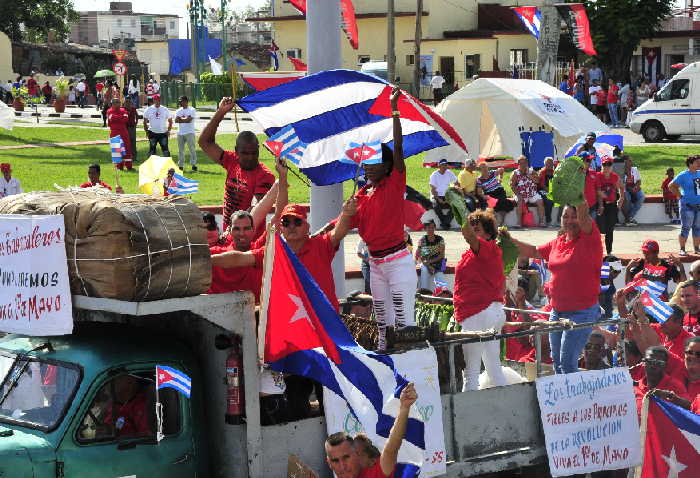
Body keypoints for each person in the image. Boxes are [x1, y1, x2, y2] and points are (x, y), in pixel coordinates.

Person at [346, 87, 417, 351]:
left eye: (374, 162)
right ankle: (388, 361)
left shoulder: (393, 184)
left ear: (387, 166)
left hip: (397, 262)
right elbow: (342, 225)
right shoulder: (362, 194)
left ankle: (408, 367)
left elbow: (398, 147)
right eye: (366, 163)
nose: (367, 166)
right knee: (383, 324)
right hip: (375, 263)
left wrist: (394, 110)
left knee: (402, 321)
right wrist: (345, 214)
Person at [506, 202, 603, 374]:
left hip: (582, 312)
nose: (570, 220)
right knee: (557, 363)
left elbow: (584, 214)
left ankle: (572, 400)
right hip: (557, 311)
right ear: (560, 220)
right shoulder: (558, 242)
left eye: (574, 216)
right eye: (565, 216)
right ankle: (564, 399)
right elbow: (534, 251)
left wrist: (577, 195)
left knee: (567, 364)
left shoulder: (590, 238)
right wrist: (509, 240)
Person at [198, 97, 275, 230]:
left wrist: (233, 230)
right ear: (236, 152)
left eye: (254, 153)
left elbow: (256, 207)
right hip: (230, 234)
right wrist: (220, 112)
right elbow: (204, 142)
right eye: (245, 153)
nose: (250, 157)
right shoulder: (232, 160)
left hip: (249, 238)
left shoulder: (265, 175)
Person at [453, 209, 508, 391]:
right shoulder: (485, 252)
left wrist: (459, 207)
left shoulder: (487, 248)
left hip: (478, 312)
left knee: (471, 372)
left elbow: (469, 236)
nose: (471, 231)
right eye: (472, 228)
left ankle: (467, 416)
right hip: (489, 311)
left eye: (477, 229)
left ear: (488, 233)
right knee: (493, 367)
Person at [324, 383, 417, 478]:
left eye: (346, 457)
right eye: (335, 460)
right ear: (329, 463)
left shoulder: (376, 472)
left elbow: (391, 448)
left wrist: (404, 408)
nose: (342, 466)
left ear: (357, 454)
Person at [633, 346, 689, 417]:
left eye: (658, 363)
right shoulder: (636, 387)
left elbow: (690, 408)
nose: (653, 366)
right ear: (643, 363)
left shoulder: (675, 386)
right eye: (650, 361)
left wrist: (672, 398)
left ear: (665, 366)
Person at [669, 155, 700, 256]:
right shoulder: (683, 175)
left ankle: (697, 248)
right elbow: (671, 185)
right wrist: (679, 196)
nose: (699, 164)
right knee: (686, 227)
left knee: (697, 227)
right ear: (690, 164)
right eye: (697, 162)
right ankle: (682, 249)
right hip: (687, 205)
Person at [596, 156, 624, 254]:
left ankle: (609, 251)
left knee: (610, 229)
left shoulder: (614, 176)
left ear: (612, 166)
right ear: (601, 165)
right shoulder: (598, 176)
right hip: (601, 204)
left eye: (609, 164)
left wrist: (621, 198)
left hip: (612, 205)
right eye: (604, 164)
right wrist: (600, 205)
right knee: (600, 228)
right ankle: (598, 250)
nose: (606, 167)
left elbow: (621, 187)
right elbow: (598, 192)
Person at [510, 155, 546, 227]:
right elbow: (512, 185)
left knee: (540, 201)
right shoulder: (515, 173)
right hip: (521, 194)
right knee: (520, 202)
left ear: (527, 163)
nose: (523, 165)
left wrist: (530, 176)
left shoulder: (532, 171)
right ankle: (519, 223)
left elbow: (537, 181)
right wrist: (518, 195)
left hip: (532, 194)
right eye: (521, 163)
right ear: (518, 164)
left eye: (525, 163)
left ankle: (542, 221)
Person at [415, 220, 446, 292]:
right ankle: (424, 293)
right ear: (425, 229)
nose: (430, 229)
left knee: (439, 275)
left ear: (435, 228)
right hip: (426, 263)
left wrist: (431, 263)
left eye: (432, 227)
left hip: (439, 262)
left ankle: (443, 295)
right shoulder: (422, 240)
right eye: (428, 228)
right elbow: (420, 256)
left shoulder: (440, 239)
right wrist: (428, 266)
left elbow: (442, 255)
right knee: (424, 270)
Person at [429, 159, 457, 229]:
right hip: (436, 196)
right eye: (443, 165)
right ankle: (445, 223)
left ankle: (445, 223)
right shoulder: (434, 175)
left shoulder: (449, 173)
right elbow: (433, 189)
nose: (444, 166)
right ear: (439, 166)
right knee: (435, 205)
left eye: (446, 165)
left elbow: (456, 183)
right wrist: (438, 198)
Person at [107, 97, 134, 170]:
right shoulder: (109, 111)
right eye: (115, 103)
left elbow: (125, 119)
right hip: (114, 133)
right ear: (112, 104)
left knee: (127, 149)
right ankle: (119, 166)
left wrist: (115, 118)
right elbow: (111, 119)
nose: (117, 104)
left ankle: (129, 166)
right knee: (116, 150)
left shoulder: (123, 110)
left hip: (124, 133)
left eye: (118, 102)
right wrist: (120, 118)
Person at [175, 96, 197, 171]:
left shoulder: (192, 109)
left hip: (190, 132)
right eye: (180, 101)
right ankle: (180, 165)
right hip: (180, 133)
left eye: (181, 101)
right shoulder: (178, 110)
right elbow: (176, 120)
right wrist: (185, 119)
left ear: (186, 101)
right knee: (180, 150)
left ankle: (193, 164)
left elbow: (189, 120)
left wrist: (181, 119)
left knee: (192, 149)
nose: (180, 102)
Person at [621, 155, 644, 226]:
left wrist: (636, 187)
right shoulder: (621, 171)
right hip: (625, 188)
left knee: (641, 196)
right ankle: (628, 218)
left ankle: (629, 217)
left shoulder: (634, 169)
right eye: (629, 161)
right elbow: (621, 184)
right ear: (625, 162)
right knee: (627, 198)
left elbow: (639, 181)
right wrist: (629, 189)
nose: (631, 162)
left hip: (634, 187)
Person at [537, 156, 556, 225]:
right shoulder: (542, 172)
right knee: (549, 200)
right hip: (542, 190)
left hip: (551, 191)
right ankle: (548, 220)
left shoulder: (554, 172)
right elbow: (542, 185)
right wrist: (551, 192)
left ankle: (559, 219)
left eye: (551, 163)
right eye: (548, 163)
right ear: (545, 164)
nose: (550, 165)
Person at [123, 96, 138, 164]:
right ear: (124, 102)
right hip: (125, 127)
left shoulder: (133, 109)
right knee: (126, 142)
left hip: (132, 127)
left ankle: (134, 157)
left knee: (133, 142)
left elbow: (137, 115)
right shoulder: (123, 109)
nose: (128, 103)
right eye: (127, 102)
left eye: (129, 102)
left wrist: (136, 123)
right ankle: (126, 156)